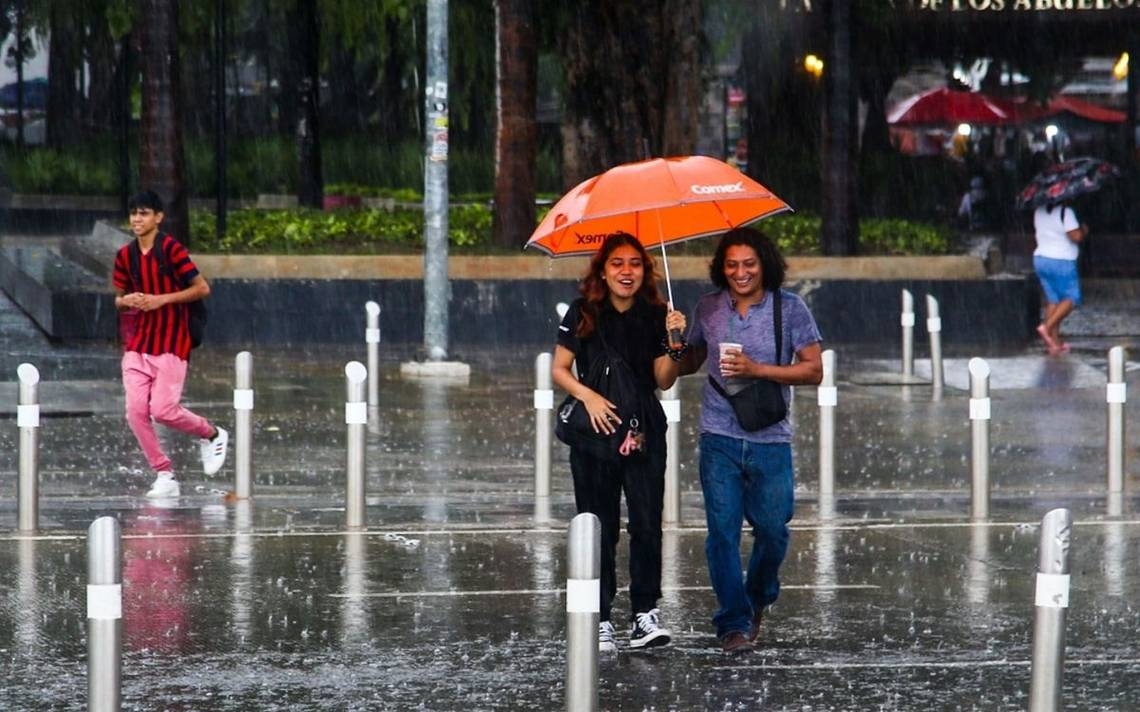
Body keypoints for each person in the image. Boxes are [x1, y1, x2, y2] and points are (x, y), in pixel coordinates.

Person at [678, 227, 822, 654]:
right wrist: (673, 338)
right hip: (718, 435)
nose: (740, 272)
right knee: (721, 533)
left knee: (774, 531)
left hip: (770, 438)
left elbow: (813, 370)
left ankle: (757, 599)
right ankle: (733, 623)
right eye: (732, 265)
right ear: (721, 268)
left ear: (764, 265)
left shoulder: (790, 309)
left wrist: (758, 369)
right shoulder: (708, 308)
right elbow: (688, 362)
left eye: (749, 264)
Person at [551, 231, 687, 653]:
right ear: (603, 271)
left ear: (645, 270)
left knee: (647, 524)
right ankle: (602, 617)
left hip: (643, 429)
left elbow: (663, 380)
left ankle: (645, 614)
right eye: (617, 264)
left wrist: (676, 341)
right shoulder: (582, 312)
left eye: (634, 264)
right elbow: (559, 369)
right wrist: (587, 396)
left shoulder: (658, 313)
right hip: (593, 437)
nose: (626, 272)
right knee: (599, 527)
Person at [112, 189, 228, 498]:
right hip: (138, 344)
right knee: (136, 412)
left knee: (163, 410)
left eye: (144, 212)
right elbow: (119, 300)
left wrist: (162, 299)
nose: (137, 218)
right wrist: (128, 301)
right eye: (134, 212)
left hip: (172, 342)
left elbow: (202, 288)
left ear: (158, 218)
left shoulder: (172, 250)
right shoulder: (125, 255)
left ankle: (212, 433)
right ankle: (164, 473)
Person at [1032, 201, 1087, 355]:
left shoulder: (1039, 210)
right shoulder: (1066, 212)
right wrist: (1083, 229)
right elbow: (1075, 236)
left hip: (1041, 259)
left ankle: (1054, 343)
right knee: (1071, 298)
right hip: (1062, 260)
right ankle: (1046, 327)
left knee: (1053, 300)